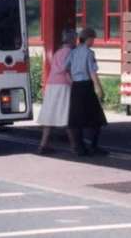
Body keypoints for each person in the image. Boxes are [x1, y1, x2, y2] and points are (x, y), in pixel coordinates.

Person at [66, 27, 107, 157]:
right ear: (88, 39)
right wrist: (99, 87)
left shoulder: (73, 52)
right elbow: (92, 72)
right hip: (87, 86)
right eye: (93, 39)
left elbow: (65, 67)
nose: (93, 41)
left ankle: (80, 148)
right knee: (97, 118)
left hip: (76, 87)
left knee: (77, 118)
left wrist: (72, 78)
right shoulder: (89, 53)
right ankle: (94, 146)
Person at [36, 27, 75, 154]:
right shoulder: (71, 53)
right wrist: (73, 82)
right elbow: (68, 69)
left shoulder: (58, 52)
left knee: (50, 115)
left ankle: (43, 145)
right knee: (66, 115)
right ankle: (75, 146)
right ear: (72, 40)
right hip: (63, 85)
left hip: (51, 84)